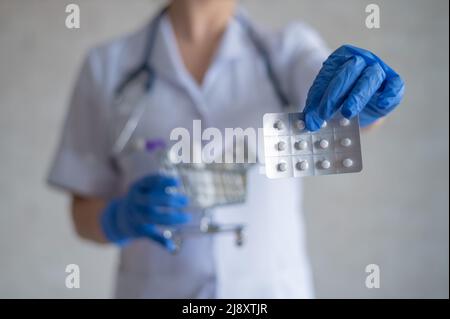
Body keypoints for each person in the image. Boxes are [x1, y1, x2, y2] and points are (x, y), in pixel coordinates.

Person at [48, 0, 404, 298]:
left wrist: (367, 101)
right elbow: (82, 212)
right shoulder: (107, 66)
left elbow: (336, 97)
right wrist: (116, 218)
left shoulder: (288, 50)